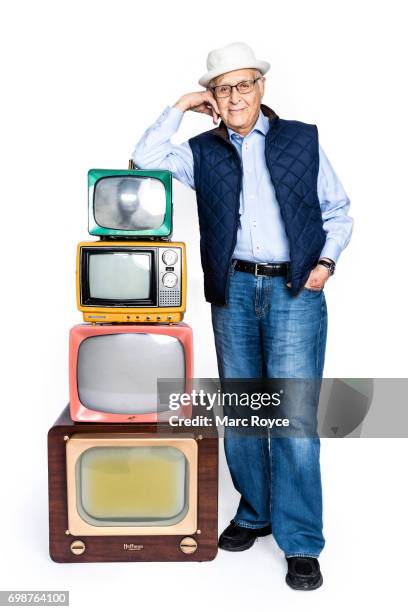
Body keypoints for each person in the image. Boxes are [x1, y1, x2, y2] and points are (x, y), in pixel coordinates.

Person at [132, 41, 353, 590]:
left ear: (261, 88)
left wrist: (324, 264)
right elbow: (143, 159)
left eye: (244, 84)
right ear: (213, 95)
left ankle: (301, 542)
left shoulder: (302, 139)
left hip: (295, 289)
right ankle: (254, 513)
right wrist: (180, 106)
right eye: (222, 87)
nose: (235, 95)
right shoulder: (202, 150)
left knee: (295, 419)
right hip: (233, 289)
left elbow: (338, 211)